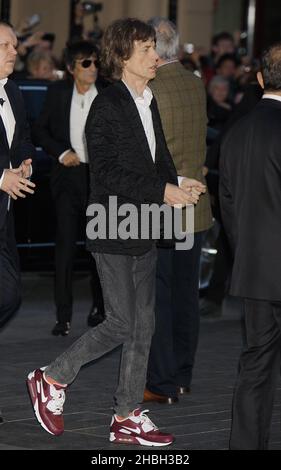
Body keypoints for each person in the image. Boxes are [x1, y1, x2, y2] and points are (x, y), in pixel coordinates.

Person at [26, 17, 205, 447]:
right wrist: (162, 189)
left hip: (143, 225)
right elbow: (108, 171)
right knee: (122, 321)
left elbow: (156, 160)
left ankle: (126, 414)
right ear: (123, 56)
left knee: (145, 324)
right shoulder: (109, 105)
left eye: (153, 49)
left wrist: (178, 182)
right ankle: (52, 378)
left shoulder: (148, 99)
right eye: (145, 50)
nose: (155, 56)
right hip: (112, 224)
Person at [144, 18, 212, 404]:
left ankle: (162, 381)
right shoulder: (196, 83)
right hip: (196, 208)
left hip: (164, 205)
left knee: (160, 296)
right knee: (186, 296)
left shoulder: (151, 89)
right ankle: (183, 374)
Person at [220, 43, 281, 449]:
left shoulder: (236, 130)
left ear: (260, 80)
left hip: (254, 268)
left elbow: (227, 201)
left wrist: (247, 250)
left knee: (255, 365)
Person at [33, 40, 105, 336]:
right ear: (71, 68)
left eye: (96, 62)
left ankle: (99, 308)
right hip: (67, 177)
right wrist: (62, 152)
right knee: (64, 247)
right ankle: (63, 317)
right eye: (86, 63)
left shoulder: (109, 95)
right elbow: (40, 129)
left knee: (99, 248)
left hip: (99, 179)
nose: (93, 69)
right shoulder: (57, 93)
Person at [0, 21, 36, 420]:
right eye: (6, 45)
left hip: (4, 216)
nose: (15, 51)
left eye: (15, 45)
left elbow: (23, 135)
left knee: (10, 294)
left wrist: (24, 159)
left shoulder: (13, 90)